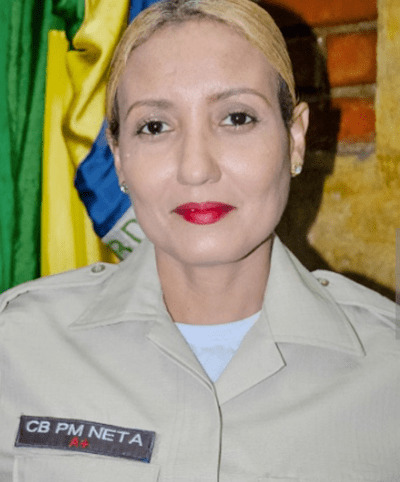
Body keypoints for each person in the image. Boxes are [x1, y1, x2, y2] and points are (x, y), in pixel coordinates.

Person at [0, 0, 399, 480]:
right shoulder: (17, 347)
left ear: (294, 139)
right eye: (155, 126)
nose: (195, 169)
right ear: (119, 158)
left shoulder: (387, 370)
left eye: (236, 118)